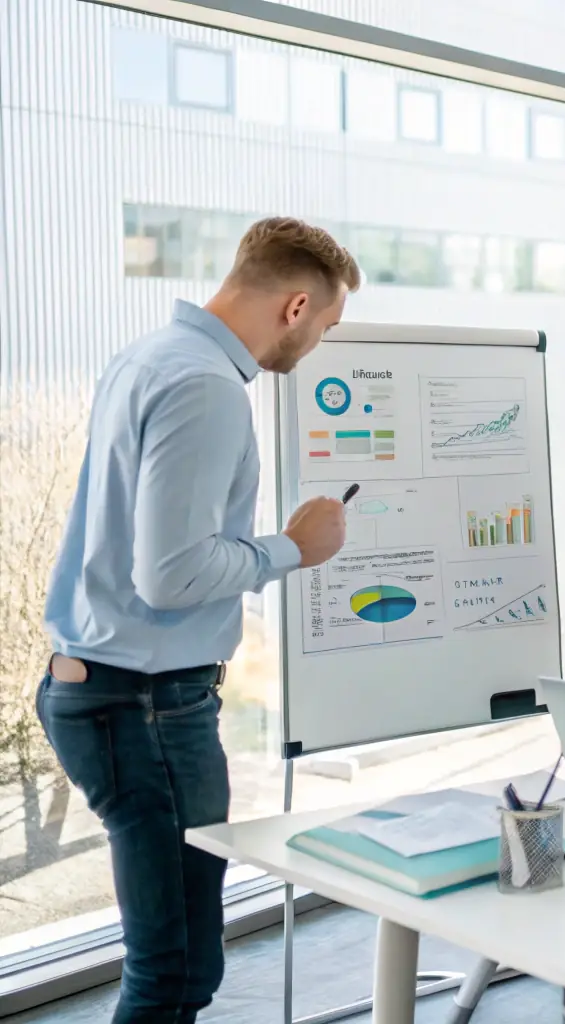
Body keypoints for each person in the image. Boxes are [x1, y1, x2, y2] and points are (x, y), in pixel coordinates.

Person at [39, 217, 360, 1023]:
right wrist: (290, 548)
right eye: (325, 326)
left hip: (107, 691)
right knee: (176, 971)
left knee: (169, 959)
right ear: (294, 306)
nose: (316, 346)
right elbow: (171, 574)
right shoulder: (207, 388)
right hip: (145, 707)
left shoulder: (149, 357)